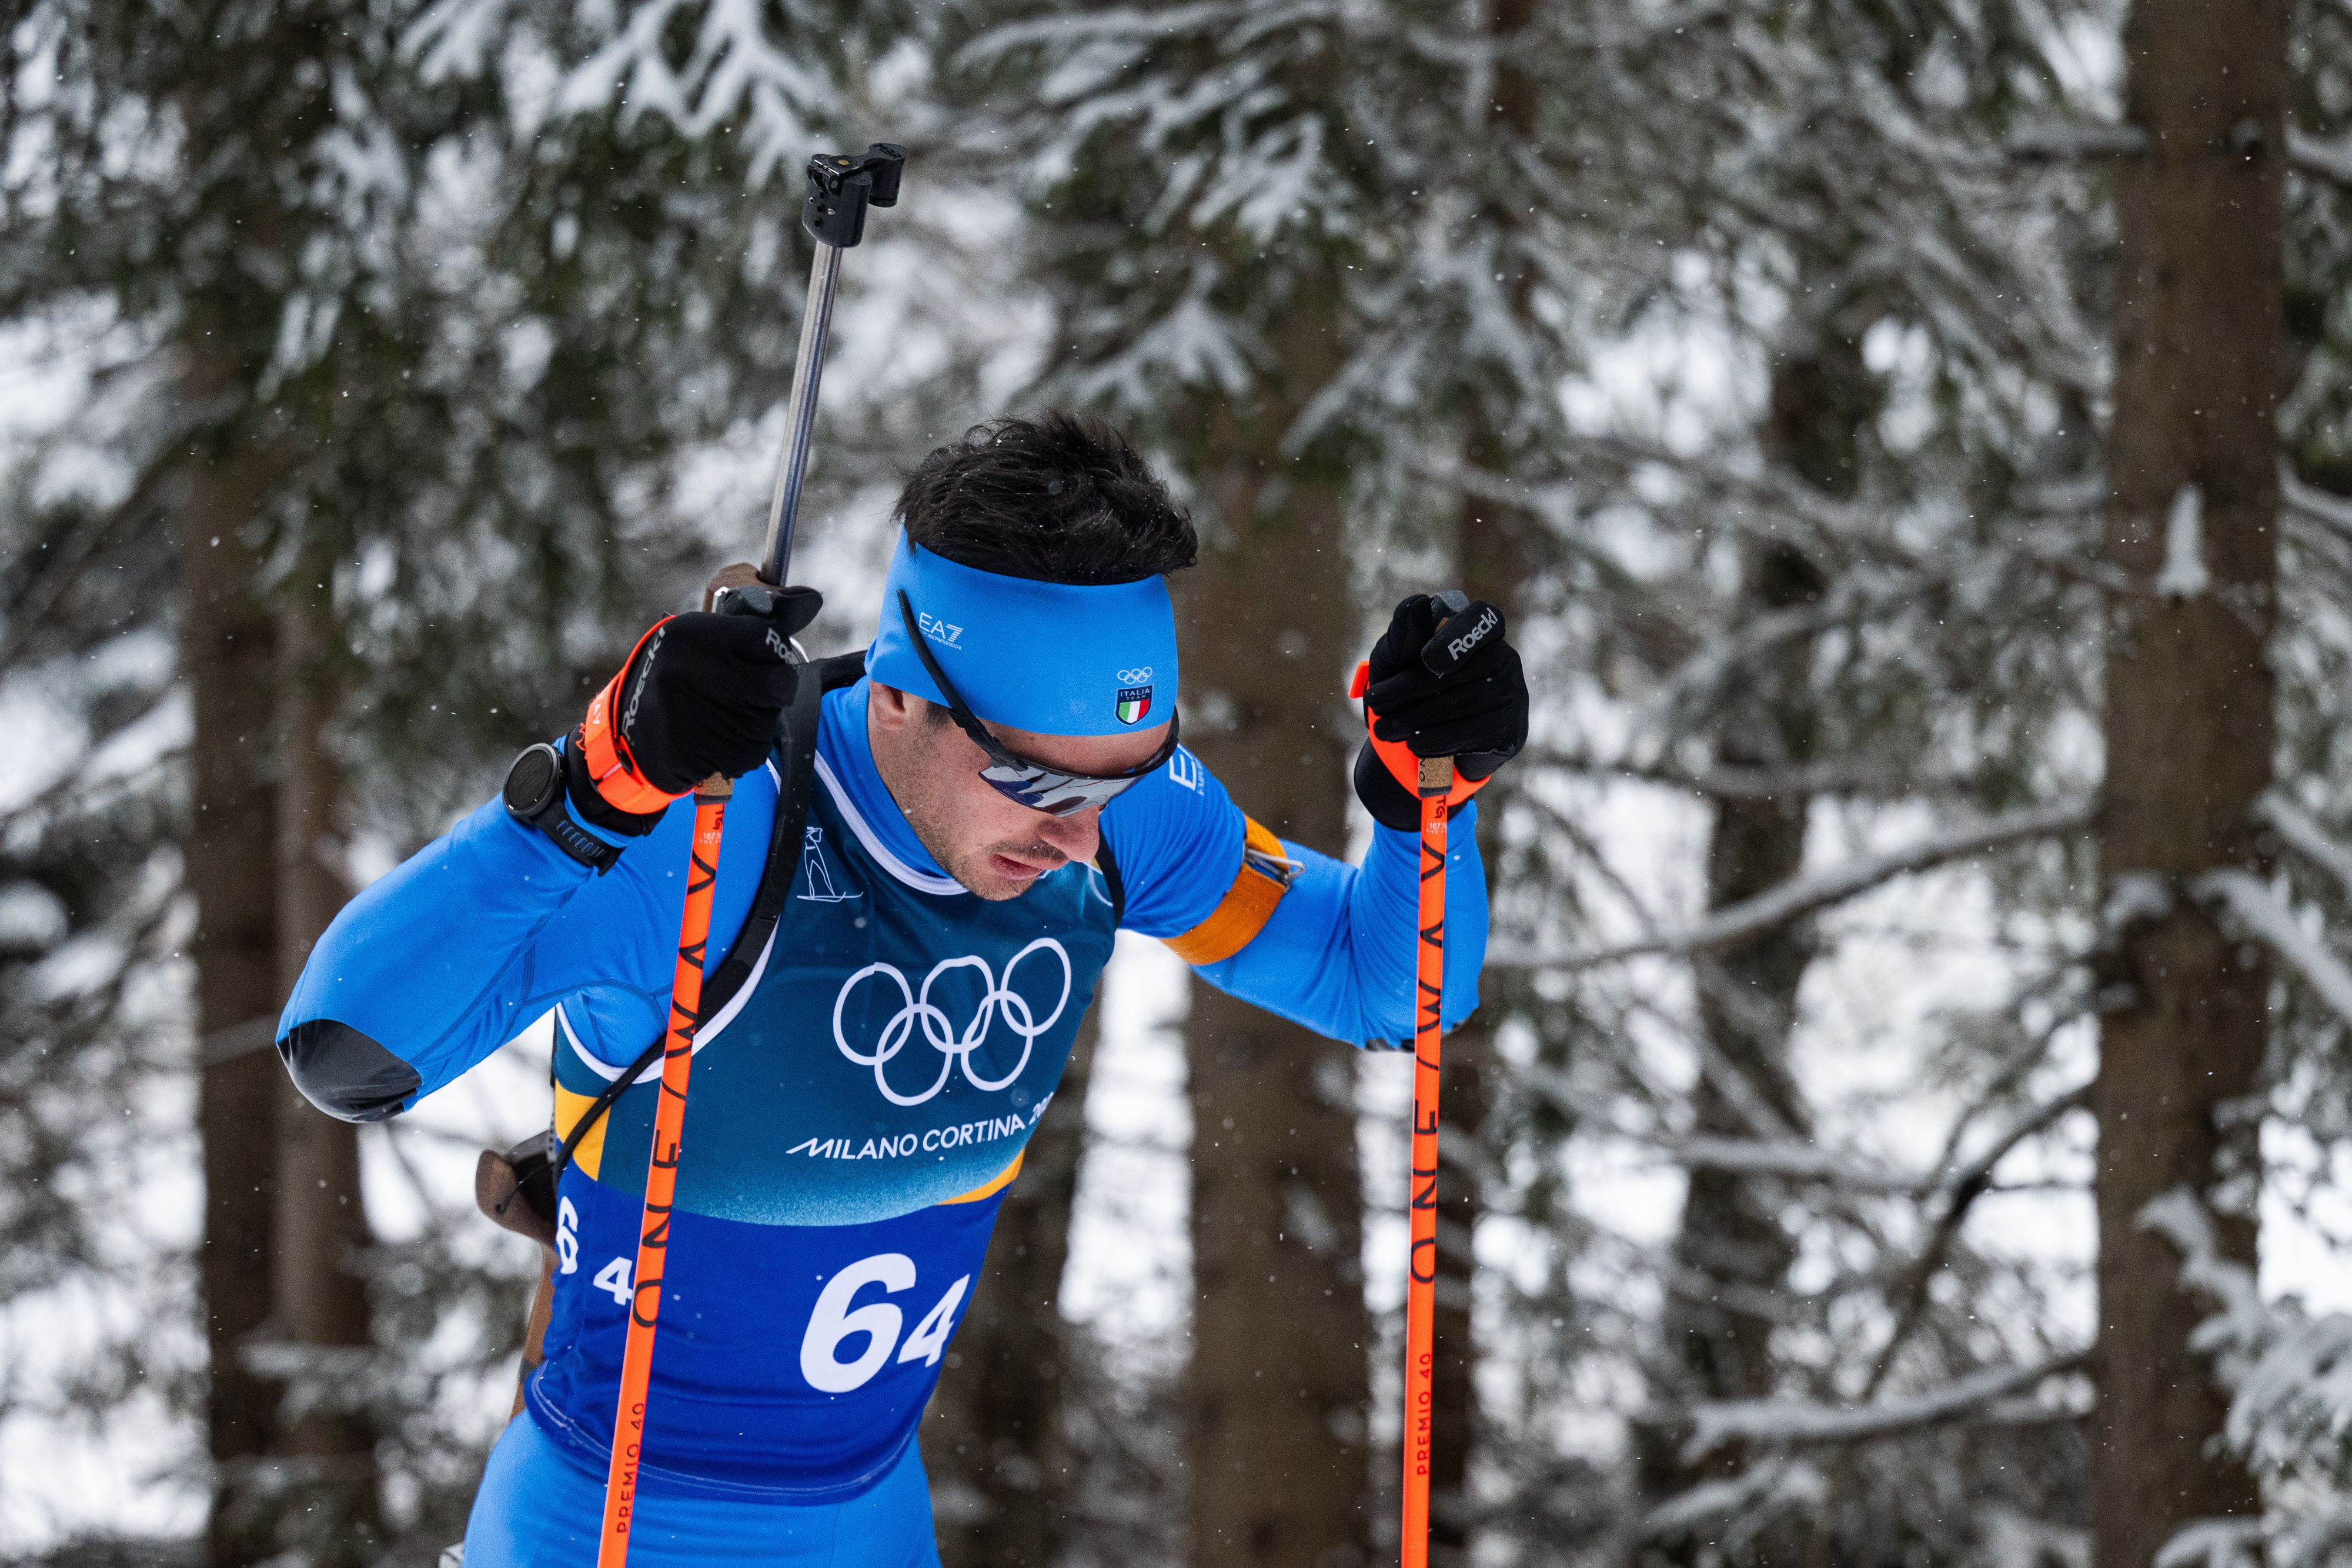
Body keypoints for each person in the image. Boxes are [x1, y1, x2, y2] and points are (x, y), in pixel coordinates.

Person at [275, 413, 1529, 1566]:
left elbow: (1385, 988)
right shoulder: (705, 833)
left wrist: (1430, 801)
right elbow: (347, 1046)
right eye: (1037, 782)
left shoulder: (1126, 819)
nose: (1079, 839)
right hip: (603, 1521)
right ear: (900, 692)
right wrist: (589, 789)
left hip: (868, 1517)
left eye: (1121, 779)